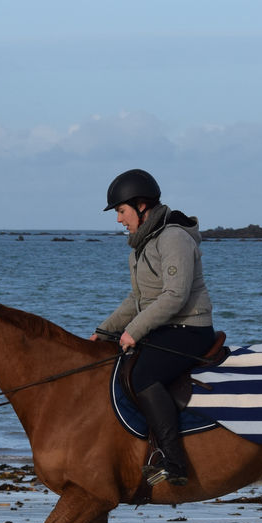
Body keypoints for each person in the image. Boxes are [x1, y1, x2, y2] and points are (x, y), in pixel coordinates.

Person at [90, 169, 215, 487]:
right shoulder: (141, 245)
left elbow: (175, 295)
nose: (119, 220)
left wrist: (133, 331)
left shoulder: (173, 237)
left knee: (144, 374)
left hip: (190, 329)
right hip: (166, 328)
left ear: (141, 205)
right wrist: (104, 332)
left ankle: (175, 462)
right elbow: (138, 298)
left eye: (121, 211)